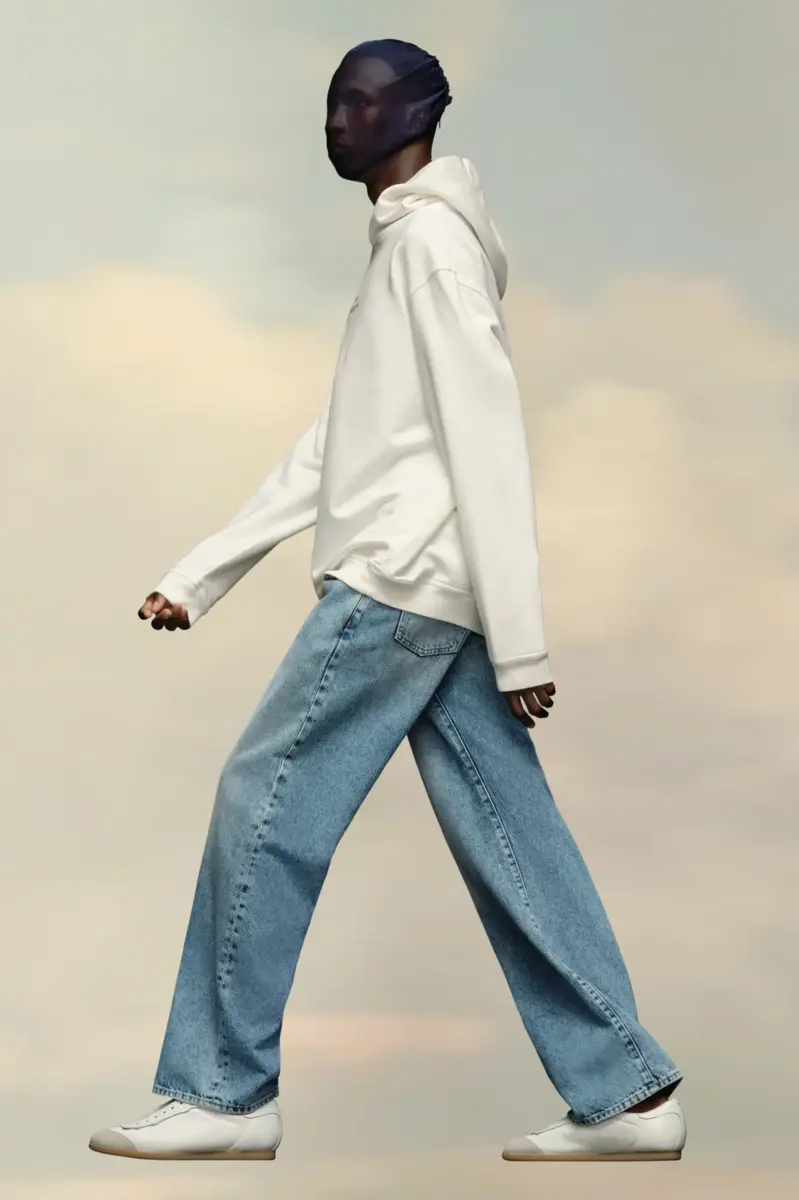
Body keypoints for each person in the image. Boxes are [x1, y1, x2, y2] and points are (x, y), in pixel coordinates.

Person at [89, 38, 685, 1164]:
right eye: (332, 102)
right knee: (511, 833)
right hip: (429, 590)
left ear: (418, 115)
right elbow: (339, 446)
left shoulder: (431, 251)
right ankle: (629, 1092)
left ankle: (224, 1091)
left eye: (361, 102)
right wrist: (203, 571)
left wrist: (523, 642)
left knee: (264, 796)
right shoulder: (408, 247)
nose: (338, 120)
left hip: (397, 586)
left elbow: (488, 439)